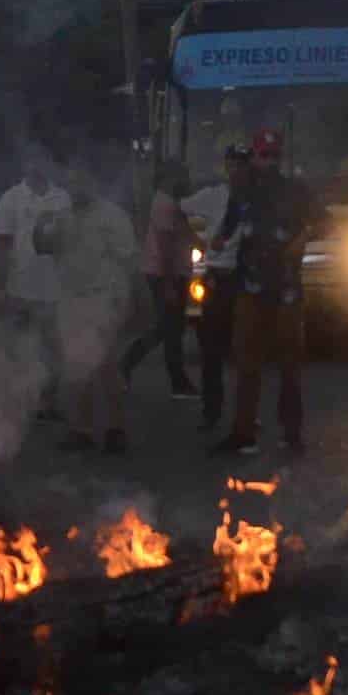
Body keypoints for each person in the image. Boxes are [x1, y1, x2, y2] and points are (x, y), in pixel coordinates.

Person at [216, 127, 311, 457]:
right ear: (253, 157)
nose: (266, 162)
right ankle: (244, 434)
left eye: (272, 156)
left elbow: (322, 221)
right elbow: (228, 226)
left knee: (289, 365)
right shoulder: (242, 190)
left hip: (285, 288)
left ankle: (292, 434)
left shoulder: (296, 191)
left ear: (278, 157)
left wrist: (300, 240)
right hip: (251, 288)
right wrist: (219, 239)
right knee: (246, 364)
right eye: (261, 156)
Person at [55, 157, 143, 452]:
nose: (75, 189)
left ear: (92, 185)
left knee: (106, 367)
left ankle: (115, 429)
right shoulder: (64, 217)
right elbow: (45, 246)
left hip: (104, 299)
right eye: (70, 185)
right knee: (77, 367)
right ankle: (81, 429)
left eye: (80, 184)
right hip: (72, 299)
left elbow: (129, 260)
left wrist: (128, 300)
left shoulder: (112, 217)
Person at [0, 147, 70, 410]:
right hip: (19, 287)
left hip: (54, 288)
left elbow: (72, 243)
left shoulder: (63, 199)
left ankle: (49, 402)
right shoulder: (10, 199)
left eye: (42, 159)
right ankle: (20, 403)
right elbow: (2, 247)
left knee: (52, 350)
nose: (37, 165)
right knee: (21, 348)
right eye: (32, 159)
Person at [117, 164, 195, 402]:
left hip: (168, 273)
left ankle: (129, 367)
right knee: (169, 328)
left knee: (171, 327)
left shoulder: (169, 201)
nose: (185, 180)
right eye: (180, 176)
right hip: (165, 274)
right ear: (167, 179)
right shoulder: (164, 204)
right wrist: (170, 284)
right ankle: (176, 381)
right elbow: (166, 249)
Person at [187, 141, 249, 431]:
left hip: (245, 280)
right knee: (211, 351)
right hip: (216, 278)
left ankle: (245, 414)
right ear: (226, 167)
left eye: (241, 164)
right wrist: (197, 240)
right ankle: (211, 411)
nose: (236, 170)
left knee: (245, 352)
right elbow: (174, 208)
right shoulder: (212, 197)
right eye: (232, 164)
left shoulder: (256, 199)